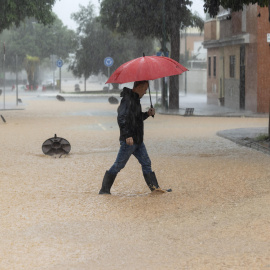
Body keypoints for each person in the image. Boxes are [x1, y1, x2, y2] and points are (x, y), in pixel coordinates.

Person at [99, 80, 171, 194]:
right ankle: (104, 190)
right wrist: (127, 135)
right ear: (139, 87)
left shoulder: (136, 100)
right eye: (145, 89)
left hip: (138, 141)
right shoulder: (128, 100)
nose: (145, 92)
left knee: (146, 162)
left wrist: (147, 114)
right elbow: (121, 118)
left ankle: (155, 189)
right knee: (119, 165)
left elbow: (136, 119)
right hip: (129, 141)